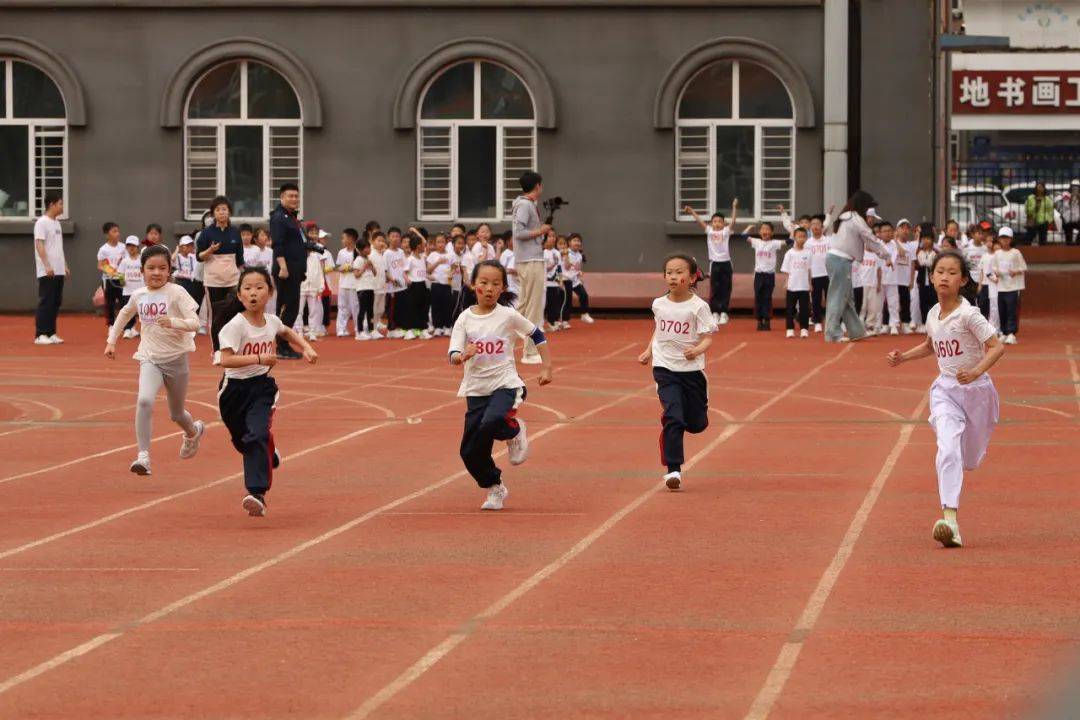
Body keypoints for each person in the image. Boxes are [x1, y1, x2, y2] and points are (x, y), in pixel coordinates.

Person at [887, 250, 1004, 548]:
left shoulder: (969, 315)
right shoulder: (931, 314)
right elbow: (930, 346)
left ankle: (955, 498)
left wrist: (976, 371)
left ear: (962, 280)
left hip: (977, 393)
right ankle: (950, 521)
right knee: (948, 448)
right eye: (940, 271)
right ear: (931, 277)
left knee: (970, 458)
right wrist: (903, 358)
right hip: (945, 391)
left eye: (952, 272)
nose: (944, 277)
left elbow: (996, 347)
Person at [449, 260, 553, 511]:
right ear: (473, 285)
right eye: (483, 282)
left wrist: (546, 366)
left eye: (496, 284)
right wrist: (463, 355)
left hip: (506, 384)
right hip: (475, 390)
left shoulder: (507, 315)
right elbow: (452, 354)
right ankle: (495, 487)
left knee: (493, 421)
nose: (489, 288)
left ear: (503, 288)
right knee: (470, 451)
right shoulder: (464, 319)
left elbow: (536, 334)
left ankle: (514, 430)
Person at [218, 267, 317, 517]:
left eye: (259, 287)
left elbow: (286, 331)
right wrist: (259, 357)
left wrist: (305, 347)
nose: (253, 293)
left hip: (261, 388)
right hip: (232, 392)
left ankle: (256, 492)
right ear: (239, 295)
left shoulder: (272, 321)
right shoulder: (235, 326)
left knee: (256, 434)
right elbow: (225, 360)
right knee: (244, 442)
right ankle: (268, 452)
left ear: (270, 293)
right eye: (247, 288)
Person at [104, 244, 206, 476]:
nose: (156, 272)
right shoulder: (139, 295)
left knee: (176, 414)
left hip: (176, 360)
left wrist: (173, 322)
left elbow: (195, 323)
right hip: (150, 357)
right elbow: (124, 314)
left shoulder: (177, 293)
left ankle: (193, 432)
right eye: (151, 268)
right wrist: (111, 341)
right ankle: (143, 456)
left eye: (162, 268)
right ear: (142, 271)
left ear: (170, 270)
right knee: (144, 401)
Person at [637, 253, 716, 491]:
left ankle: (696, 413)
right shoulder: (658, 304)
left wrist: (697, 350)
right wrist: (648, 351)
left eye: (679, 272)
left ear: (692, 278)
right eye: (669, 272)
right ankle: (673, 469)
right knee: (674, 417)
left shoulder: (698, 307)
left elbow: (708, 338)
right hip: (664, 368)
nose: (673, 276)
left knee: (697, 424)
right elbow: (658, 331)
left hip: (691, 370)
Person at [824, 190, 890, 342]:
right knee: (838, 297)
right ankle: (832, 334)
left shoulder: (847, 216)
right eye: (867, 206)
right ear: (862, 205)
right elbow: (869, 237)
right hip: (840, 260)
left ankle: (856, 331)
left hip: (837, 259)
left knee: (847, 298)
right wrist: (886, 254)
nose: (868, 210)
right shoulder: (854, 218)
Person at [511, 171, 553, 365]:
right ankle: (529, 352)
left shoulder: (524, 204)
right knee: (534, 306)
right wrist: (541, 230)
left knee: (524, 305)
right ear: (537, 186)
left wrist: (539, 232)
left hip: (528, 259)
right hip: (530, 261)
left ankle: (506, 343)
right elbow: (519, 232)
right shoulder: (525, 205)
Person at [196, 195, 245, 356]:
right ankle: (217, 349)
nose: (221, 212)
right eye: (217, 210)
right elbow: (199, 256)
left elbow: (240, 260)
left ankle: (231, 346)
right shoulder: (206, 233)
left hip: (232, 280)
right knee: (217, 315)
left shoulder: (235, 233)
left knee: (233, 313)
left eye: (224, 209)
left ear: (229, 212)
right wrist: (210, 250)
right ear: (213, 214)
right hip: (213, 281)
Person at [684, 201, 738, 325]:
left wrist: (734, 207)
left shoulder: (725, 232)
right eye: (715, 221)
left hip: (726, 263)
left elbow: (733, 222)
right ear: (711, 223)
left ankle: (724, 312)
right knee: (715, 288)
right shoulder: (709, 231)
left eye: (719, 221)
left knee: (726, 288)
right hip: (715, 264)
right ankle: (715, 312)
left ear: (723, 224)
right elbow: (700, 222)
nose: (717, 224)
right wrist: (692, 211)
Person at [269, 183, 306, 359]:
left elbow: (296, 242)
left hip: (295, 268)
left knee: (293, 307)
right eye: (290, 196)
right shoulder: (279, 217)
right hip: (286, 269)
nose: (294, 199)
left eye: (296, 196)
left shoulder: (291, 217)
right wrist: (283, 266)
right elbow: (278, 244)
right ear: (282, 197)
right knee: (286, 307)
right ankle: (281, 346)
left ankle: (284, 343)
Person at [32, 191, 67, 345]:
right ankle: (40, 334)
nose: (62, 206)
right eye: (60, 203)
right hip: (47, 270)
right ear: (52, 204)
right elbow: (39, 244)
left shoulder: (57, 223)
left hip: (58, 270)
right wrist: (46, 265)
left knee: (56, 301)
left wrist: (64, 265)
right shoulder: (42, 222)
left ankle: (51, 332)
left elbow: (58, 247)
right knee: (46, 301)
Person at [743, 221, 783, 331]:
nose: (765, 231)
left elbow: (789, 241)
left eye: (767, 229)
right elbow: (743, 236)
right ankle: (759, 321)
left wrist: (793, 231)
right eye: (763, 229)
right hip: (759, 275)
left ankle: (767, 320)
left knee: (767, 298)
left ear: (772, 232)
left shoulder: (774, 243)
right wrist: (749, 227)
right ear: (760, 232)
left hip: (769, 275)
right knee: (758, 297)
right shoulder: (756, 242)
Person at [991, 227, 1025, 345]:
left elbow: (1023, 267)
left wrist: (1015, 271)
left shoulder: (1016, 253)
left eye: (1007, 238)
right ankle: (1004, 332)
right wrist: (997, 272)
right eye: (1002, 238)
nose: (1004, 241)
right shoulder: (997, 254)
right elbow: (993, 267)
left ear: (1011, 239)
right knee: (1002, 310)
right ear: (999, 239)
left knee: (1011, 310)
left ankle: (1011, 333)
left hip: (1013, 287)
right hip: (1001, 286)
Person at [781, 228, 813, 338]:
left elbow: (809, 270)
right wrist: (786, 282)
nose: (801, 239)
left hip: (804, 286)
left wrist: (810, 283)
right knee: (790, 308)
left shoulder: (808, 253)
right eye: (799, 236)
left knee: (805, 309)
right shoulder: (789, 253)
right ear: (795, 237)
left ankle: (804, 329)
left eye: (804, 236)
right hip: (792, 286)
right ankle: (790, 329)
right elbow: (786, 270)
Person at [97, 222, 126, 331]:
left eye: (118, 231)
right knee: (110, 303)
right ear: (107, 234)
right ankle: (111, 326)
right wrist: (112, 272)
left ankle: (125, 326)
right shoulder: (104, 249)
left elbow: (126, 262)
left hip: (122, 279)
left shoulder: (123, 247)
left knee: (124, 302)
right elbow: (100, 265)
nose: (117, 233)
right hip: (109, 281)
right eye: (114, 231)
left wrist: (122, 274)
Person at [295, 238, 325, 341]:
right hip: (301, 288)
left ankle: (312, 332)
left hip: (313, 288)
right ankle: (299, 332)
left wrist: (321, 286)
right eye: (306, 249)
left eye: (309, 249)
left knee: (313, 311)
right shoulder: (297, 257)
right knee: (299, 311)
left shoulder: (315, 258)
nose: (308, 251)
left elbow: (320, 272)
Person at [117, 236, 145, 339]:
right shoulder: (124, 261)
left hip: (141, 291)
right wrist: (121, 281)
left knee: (143, 312)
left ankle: (145, 331)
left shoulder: (142, 260)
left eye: (133, 246)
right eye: (129, 246)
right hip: (127, 291)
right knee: (129, 312)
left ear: (137, 247)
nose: (131, 248)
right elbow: (120, 274)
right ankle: (128, 330)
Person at [427, 232, 454, 336]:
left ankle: (447, 326)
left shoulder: (450, 255)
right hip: (436, 284)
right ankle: (438, 326)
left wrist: (451, 274)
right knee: (436, 305)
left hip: (447, 284)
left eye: (442, 242)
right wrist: (438, 262)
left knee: (447, 306)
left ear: (446, 243)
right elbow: (428, 270)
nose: (440, 244)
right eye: (438, 242)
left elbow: (454, 268)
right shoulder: (432, 255)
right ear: (435, 243)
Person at [383, 227, 408, 338]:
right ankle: (391, 329)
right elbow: (385, 271)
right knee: (391, 308)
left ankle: (399, 327)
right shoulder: (387, 253)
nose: (395, 239)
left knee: (401, 308)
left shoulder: (401, 252)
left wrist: (406, 279)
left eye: (397, 236)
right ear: (388, 238)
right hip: (392, 287)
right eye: (393, 236)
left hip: (402, 285)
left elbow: (404, 268)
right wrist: (392, 279)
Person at [335, 228, 359, 337]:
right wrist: (342, 268)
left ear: (351, 238)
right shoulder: (341, 252)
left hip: (354, 284)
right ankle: (341, 329)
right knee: (342, 306)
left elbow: (359, 267)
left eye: (344, 238)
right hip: (343, 283)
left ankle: (358, 328)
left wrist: (350, 268)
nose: (342, 240)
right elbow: (338, 266)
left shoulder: (358, 251)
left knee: (355, 307)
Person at [353, 238, 378, 340]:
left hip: (370, 287)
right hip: (362, 288)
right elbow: (356, 275)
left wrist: (371, 266)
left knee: (370, 311)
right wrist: (364, 267)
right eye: (366, 248)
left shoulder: (369, 259)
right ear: (360, 250)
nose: (368, 250)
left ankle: (371, 330)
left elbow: (375, 274)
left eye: (369, 247)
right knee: (362, 310)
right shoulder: (358, 260)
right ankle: (359, 331)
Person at [567, 234, 594, 324]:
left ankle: (584, 314)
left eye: (579, 241)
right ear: (569, 243)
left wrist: (579, 273)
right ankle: (563, 320)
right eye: (574, 240)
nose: (577, 243)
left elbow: (577, 267)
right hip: (566, 280)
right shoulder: (566, 253)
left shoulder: (580, 255)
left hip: (575, 281)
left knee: (584, 295)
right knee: (567, 301)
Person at [915, 228, 937, 332]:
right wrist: (927, 262)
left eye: (928, 238)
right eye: (924, 238)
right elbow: (921, 263)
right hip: (922, 281)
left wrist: (927, 262)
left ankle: (933, 324)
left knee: (933, 302)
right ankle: (923, 323)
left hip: (933, 282)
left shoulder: (935, 253)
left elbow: (932, 264)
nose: (926, 241)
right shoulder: (919, 253)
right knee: (922, 302)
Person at [172, 235, 202, 309]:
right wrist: (177, 249)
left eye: (191, 245)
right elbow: (172, 260)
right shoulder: (177, 256)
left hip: (191, 282)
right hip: (181, 281)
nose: (189, 247)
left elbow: (198, 259)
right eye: (186, 245)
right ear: (181, 246)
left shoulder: (192, 256)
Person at [542, 231, 564, 332]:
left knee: (553, 302)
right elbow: (544, 269)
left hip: (554, 282)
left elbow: (559, 267)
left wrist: (560, 281)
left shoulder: (557, 253)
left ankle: (552, 321)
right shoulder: (542, 252)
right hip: (544, 282)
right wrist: (552, 264)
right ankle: (543, 322)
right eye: (550, 236)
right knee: (544, 303)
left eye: (554, 236)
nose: (552, 238)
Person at [1024, 182, 1054, 246]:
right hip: (1033, 221)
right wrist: (1036, 205)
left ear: (1044, 189)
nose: (1040, 189)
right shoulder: (1030, 198)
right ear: (1036, 188)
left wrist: (1048, 219)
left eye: (1041, 187)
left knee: (1043, 240)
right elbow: (1027, 210)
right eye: (1038, 187)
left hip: (1043, 221)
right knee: (1028, 238)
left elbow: (1051, 210)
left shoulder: (1047, 199)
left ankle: (1042, 253)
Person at [1057, 180, 1080, 245]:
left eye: (1077, 187)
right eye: (1074, 187)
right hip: (1067, 219)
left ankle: (1077, 243)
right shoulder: (1066, 194)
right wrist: (1071, 197)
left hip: (1077, 219)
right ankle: (1070, 248)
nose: (1075, 188)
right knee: (1068, 238)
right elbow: (1065, 205)